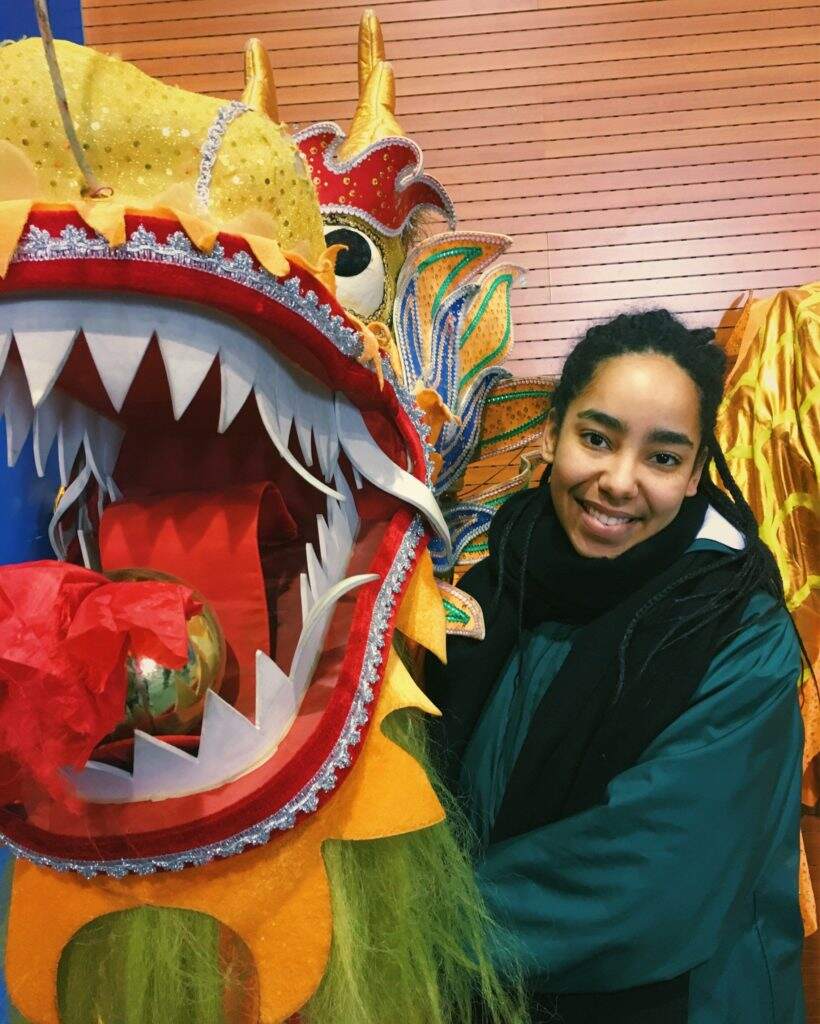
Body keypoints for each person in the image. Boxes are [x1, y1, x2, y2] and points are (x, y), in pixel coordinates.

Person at [425, 309, 806, 1024]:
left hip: (676, 999)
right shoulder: (497, 584)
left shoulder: (735, 630)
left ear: (694, 473)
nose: (619, 482)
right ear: (552, 434)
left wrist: (409, 929)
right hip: (487, 990)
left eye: (662, 458)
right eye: (596, 439)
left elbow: (655, 871)